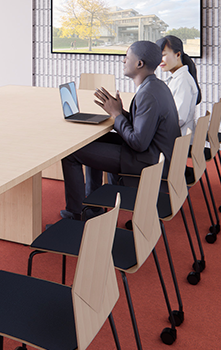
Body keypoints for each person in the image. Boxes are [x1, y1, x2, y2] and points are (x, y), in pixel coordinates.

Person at [60, 40, 181, 221]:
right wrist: (120, 111)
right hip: (154, 153)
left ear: (139, 63)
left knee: (70, 154)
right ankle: (93, 208)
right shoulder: (156, 86)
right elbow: (145, 125)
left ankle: (74, 216)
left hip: (147, 160)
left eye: (127, 57)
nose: (123, 61)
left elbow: (138, 142)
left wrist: (116, 115)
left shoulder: (148, 94)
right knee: (90, 142)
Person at [157, 34, 201, 137]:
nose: (160, 60)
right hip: (179, 138)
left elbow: (179, 119)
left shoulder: (183, 81)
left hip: (179, 143)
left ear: (177, 55)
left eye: (163, 55)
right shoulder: (179, 78)